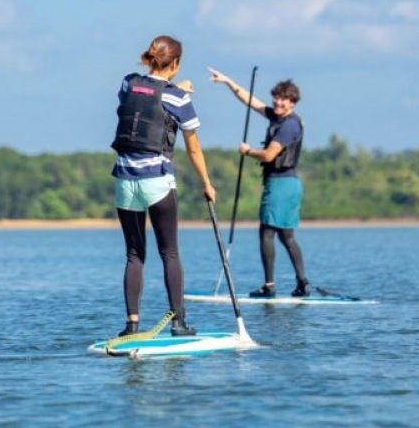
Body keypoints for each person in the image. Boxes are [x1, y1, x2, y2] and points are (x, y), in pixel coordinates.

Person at [112, 36, 217, 337]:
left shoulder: (127, 83)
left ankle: (132, 325)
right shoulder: (179, 99)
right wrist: (207, 184)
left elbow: (144, 101)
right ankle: (178, 323)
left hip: (124, 178)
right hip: (156, 180)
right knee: (169, 252)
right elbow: (194, 150)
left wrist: (172, 86)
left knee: (134, 254)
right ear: (176, 63)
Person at [208, 68, 310, 298]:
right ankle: (302, 283)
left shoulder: (289, 125)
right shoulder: (277, 117)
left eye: (283, 98)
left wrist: (248, 151)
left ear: (293, 102)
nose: (277, 101)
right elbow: (250, 100)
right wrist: (227, 81)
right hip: (287, 184)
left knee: (267, 233)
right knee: (286, 236)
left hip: (281, 185)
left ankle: (269, 286)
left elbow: (268, 155)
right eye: (276, 97)